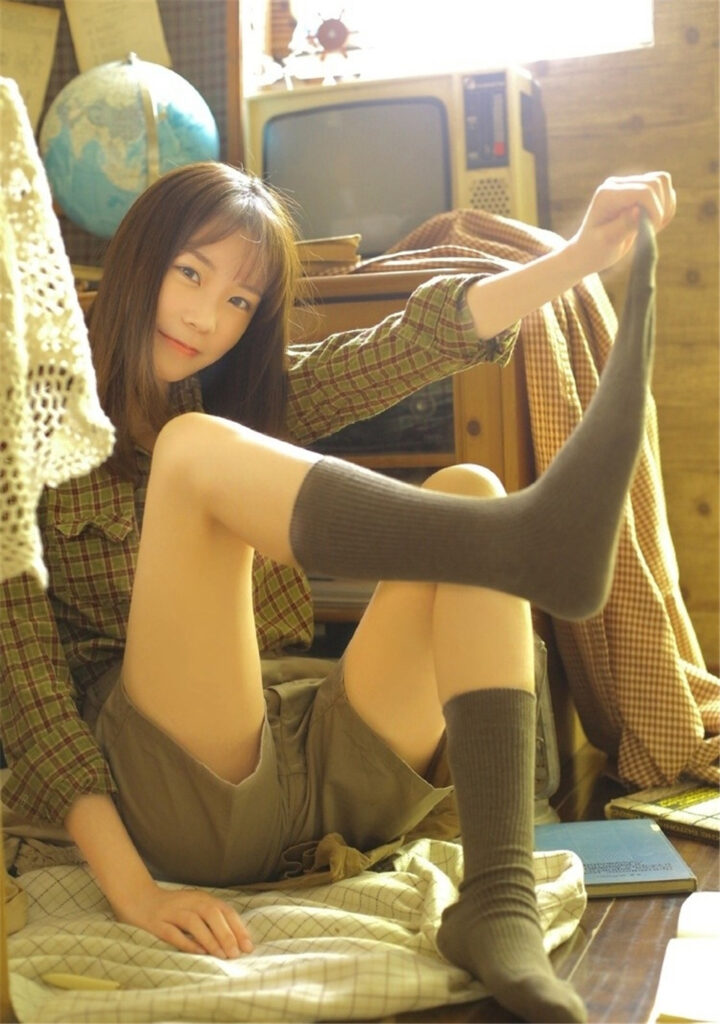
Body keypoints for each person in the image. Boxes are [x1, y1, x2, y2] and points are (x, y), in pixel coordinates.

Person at [0, 161, 675, 1023]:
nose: (207, 317)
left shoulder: (241, 395)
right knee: (193, 448)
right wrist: (136, 891)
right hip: (169, 796)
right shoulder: (24, 427)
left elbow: (403, 347)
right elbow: (33, 705)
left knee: (469, 487)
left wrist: (580, 255)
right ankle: (520, 545)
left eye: (239, 300)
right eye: (191, 273)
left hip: (313, 771)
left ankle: (497, 904)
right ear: (140, 260)